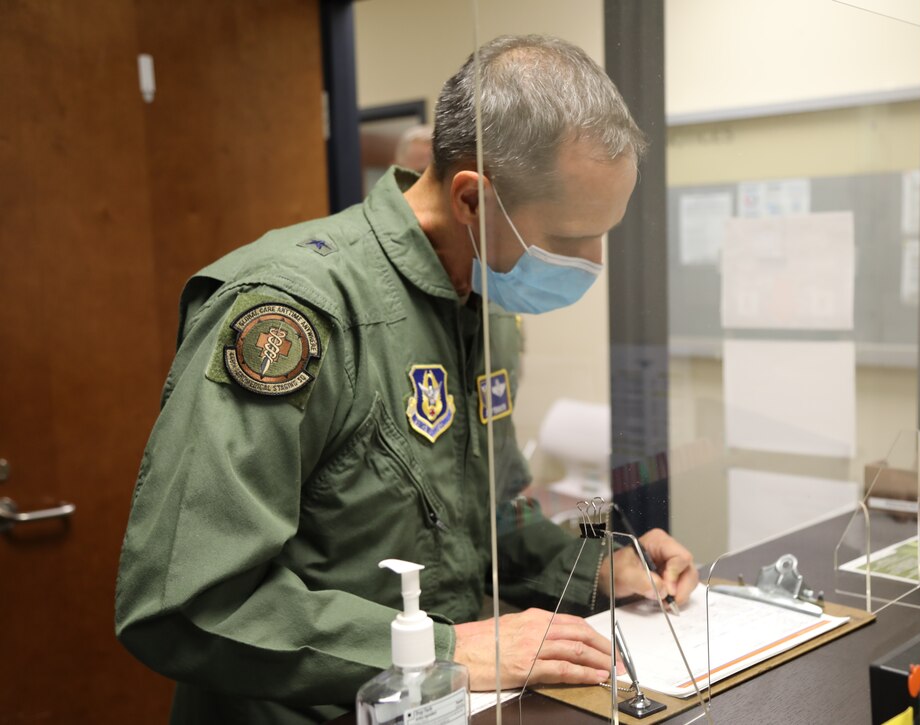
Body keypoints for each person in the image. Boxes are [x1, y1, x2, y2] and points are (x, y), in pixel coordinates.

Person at [115, 34, 698, 724]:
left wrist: (597, 567)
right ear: (473, 199)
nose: (591, 262)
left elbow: (494, 514)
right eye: (570, 241)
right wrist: (444, 647)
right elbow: (183, 600)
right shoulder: (296, 311)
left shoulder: (487, 306)